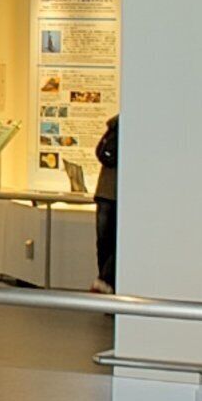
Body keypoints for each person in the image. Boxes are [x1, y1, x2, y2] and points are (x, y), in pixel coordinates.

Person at [90, 114, 120, 294]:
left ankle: (104, 284)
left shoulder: (114, 126)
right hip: (117, 195)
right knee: (116, 245)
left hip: (104, 193)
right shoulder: (132, 126)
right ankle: (106, 283)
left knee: (104, 244)